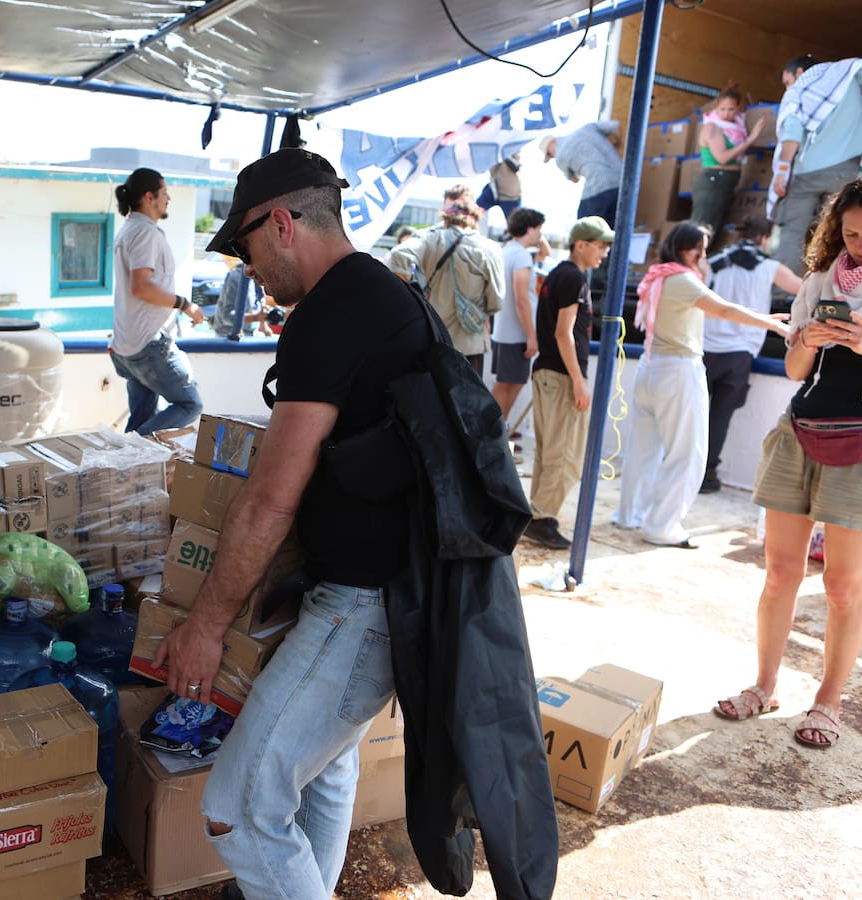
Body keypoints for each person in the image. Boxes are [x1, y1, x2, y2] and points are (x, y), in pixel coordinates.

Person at [151, 149, 559, 900]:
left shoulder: (331, 315)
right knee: (326, 772)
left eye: (244, 247)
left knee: (237, 808)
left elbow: (271, 499)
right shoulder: (388, 294)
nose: (247, 267)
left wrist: (205, 627)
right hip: (401, 592)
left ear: (281, 223)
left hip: (361, 606)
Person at [715, 171, 862, 749]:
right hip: (798, 433)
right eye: (851, 233)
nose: (861, 245)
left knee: (844, 588)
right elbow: (797, 371)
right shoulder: (820, 280)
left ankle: (829, 701)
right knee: (780, 573)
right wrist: (807, 341)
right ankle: (764, 685)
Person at [613, 222, 789, 548]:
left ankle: (630, 514)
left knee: (644, 449)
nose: (704, 256)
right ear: (686, 249)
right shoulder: (681, 280)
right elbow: (723, 309)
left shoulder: (659, 276)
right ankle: (662, 526)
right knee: (687, 453)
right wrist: (770, 323)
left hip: (651, 368)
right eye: (701, 249)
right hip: (677, 370)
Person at [771, 49, 862, 276]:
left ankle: (785, 287)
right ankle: (837, 282)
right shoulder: (848, 74)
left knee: (793, 232)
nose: (788, 88)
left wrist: (782, 171)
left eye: (787, 81)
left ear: (800, 72)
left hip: (805, 175)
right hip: (844, 172)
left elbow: (792, 133)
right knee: (839, 231)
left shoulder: (799, 91)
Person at [524, 216, 613, 550]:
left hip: (547, 373)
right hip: (561, 375)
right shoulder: (573, 278)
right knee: (566, 457)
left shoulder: (559, 274)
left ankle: (538, 516)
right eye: (600, 246)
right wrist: (578, 380)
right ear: (582, 244)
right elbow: (564, 333)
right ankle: (541, 517)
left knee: (550, 453)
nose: (604, 253)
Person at [700, 218, 802, 492]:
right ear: (765, 238)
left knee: (693, 413)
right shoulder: (770, 267)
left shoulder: (711, 261)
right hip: (739, 353)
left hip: (704, 347)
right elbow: (803, 288)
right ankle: (707, 474)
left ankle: (685, 468)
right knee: (720, 416)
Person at [110, 167, 206, 435]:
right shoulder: (145, 233)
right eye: (164, 192)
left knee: (141, 418)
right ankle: (135, 445)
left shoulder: (129, 229)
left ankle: (126, 456)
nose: (169, 198)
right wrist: (186, 305)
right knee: (190, 404)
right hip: (148, 345)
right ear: (149, 197)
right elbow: (141, 286)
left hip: (126, 345)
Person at [388, 185, 505, 376]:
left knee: (433, 393)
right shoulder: (489, 248)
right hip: (470, 343)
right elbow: (496, 302)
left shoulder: (429, 237)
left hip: (433, 338)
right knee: (470, 395)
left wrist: (407, 296)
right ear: (475, 218)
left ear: (447, 216)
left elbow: (398, 254)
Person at [490, 207, 546, 424]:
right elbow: (521, 299)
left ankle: (496, 430)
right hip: (517, 333)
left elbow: (546, 252)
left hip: (503, 330)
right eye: (538, 229)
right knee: (509, 384)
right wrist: (531, 335)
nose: (540, 234)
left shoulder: (505, 251)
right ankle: (496, 431)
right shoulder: (521, 256)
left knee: (507, 382)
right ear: (529, 229)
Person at [690, 84, 766, 237]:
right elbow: (722, 158)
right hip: (714, 182)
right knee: (701, 233)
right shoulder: (713, 127)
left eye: (731, 109)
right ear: (716, 107)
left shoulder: (736, 127)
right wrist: (750, 139)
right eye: (722, 109)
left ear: (737, 108)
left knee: (712, 232)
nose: (726, 114)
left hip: (725, 183)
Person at [538, 121, 623, 225]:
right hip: (622, 182)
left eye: (549, 154)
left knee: (583, 228)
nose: (552, 156)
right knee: (615, 228)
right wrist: (618, 145)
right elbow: (616, 126)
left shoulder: (560, 157)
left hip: (598, 188)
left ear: (552, 142)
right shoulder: (588, 128)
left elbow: (575, 180)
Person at [212, 262, 273, 339]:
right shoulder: (237, 277)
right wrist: (256, 317)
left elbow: (260, 302)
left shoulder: (258, 276)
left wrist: (263, 325)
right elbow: (227, 317)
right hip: (229, 337)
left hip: (252, 334)